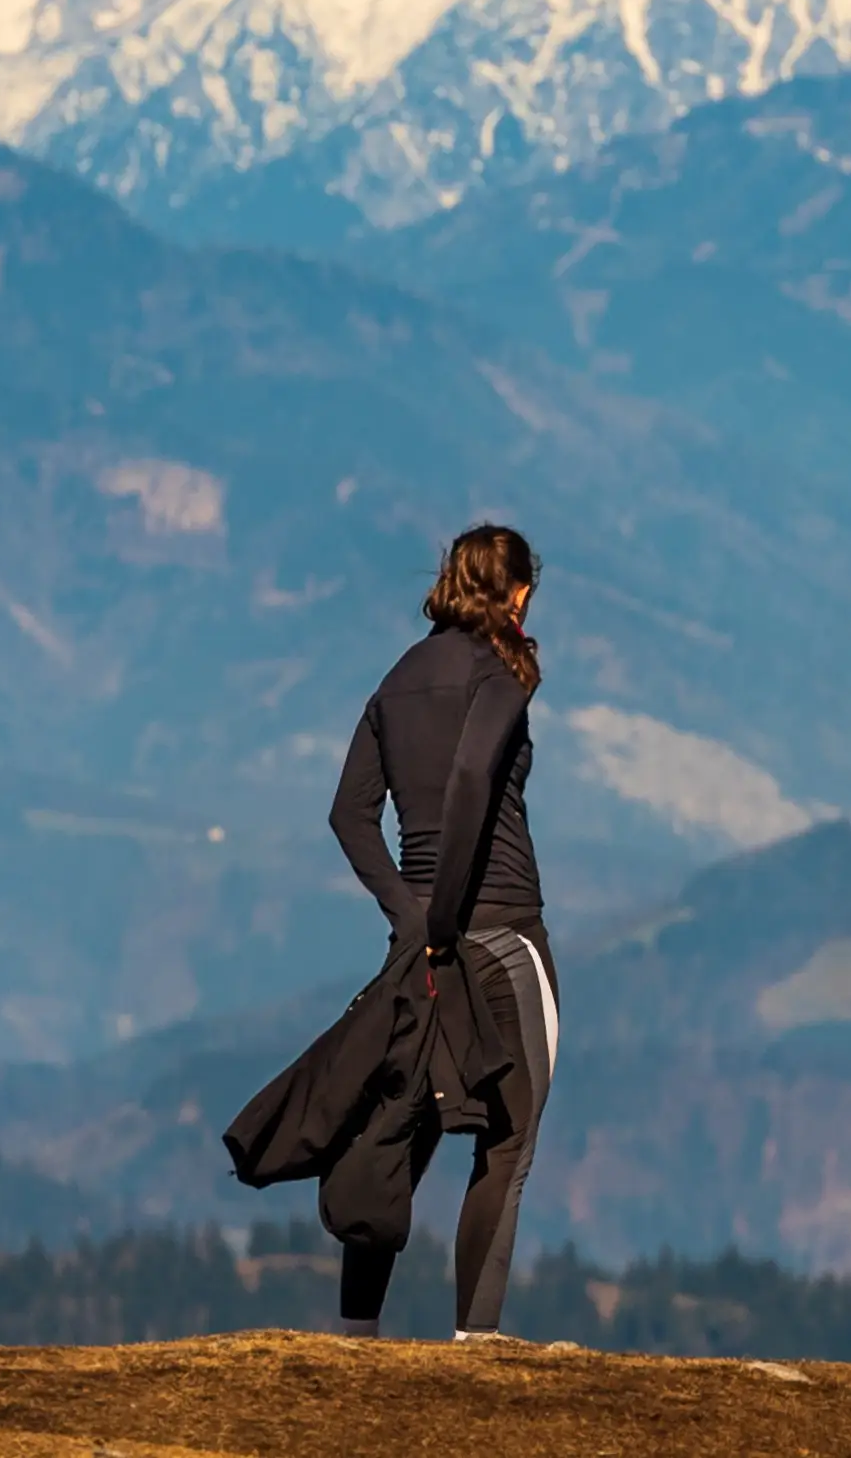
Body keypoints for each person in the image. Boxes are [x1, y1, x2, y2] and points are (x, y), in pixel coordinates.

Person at [319, 522, 561, 1341]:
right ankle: (477, 1345)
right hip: (500, 936)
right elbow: (471, 775)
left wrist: (408, 911)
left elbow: (349, 815)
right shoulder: (502, 671)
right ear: (519, 594)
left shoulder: (395, 681)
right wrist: (448, 916)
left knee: (399, 1132)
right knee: (506, 1141)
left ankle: (357, 1335)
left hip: (417, 942)